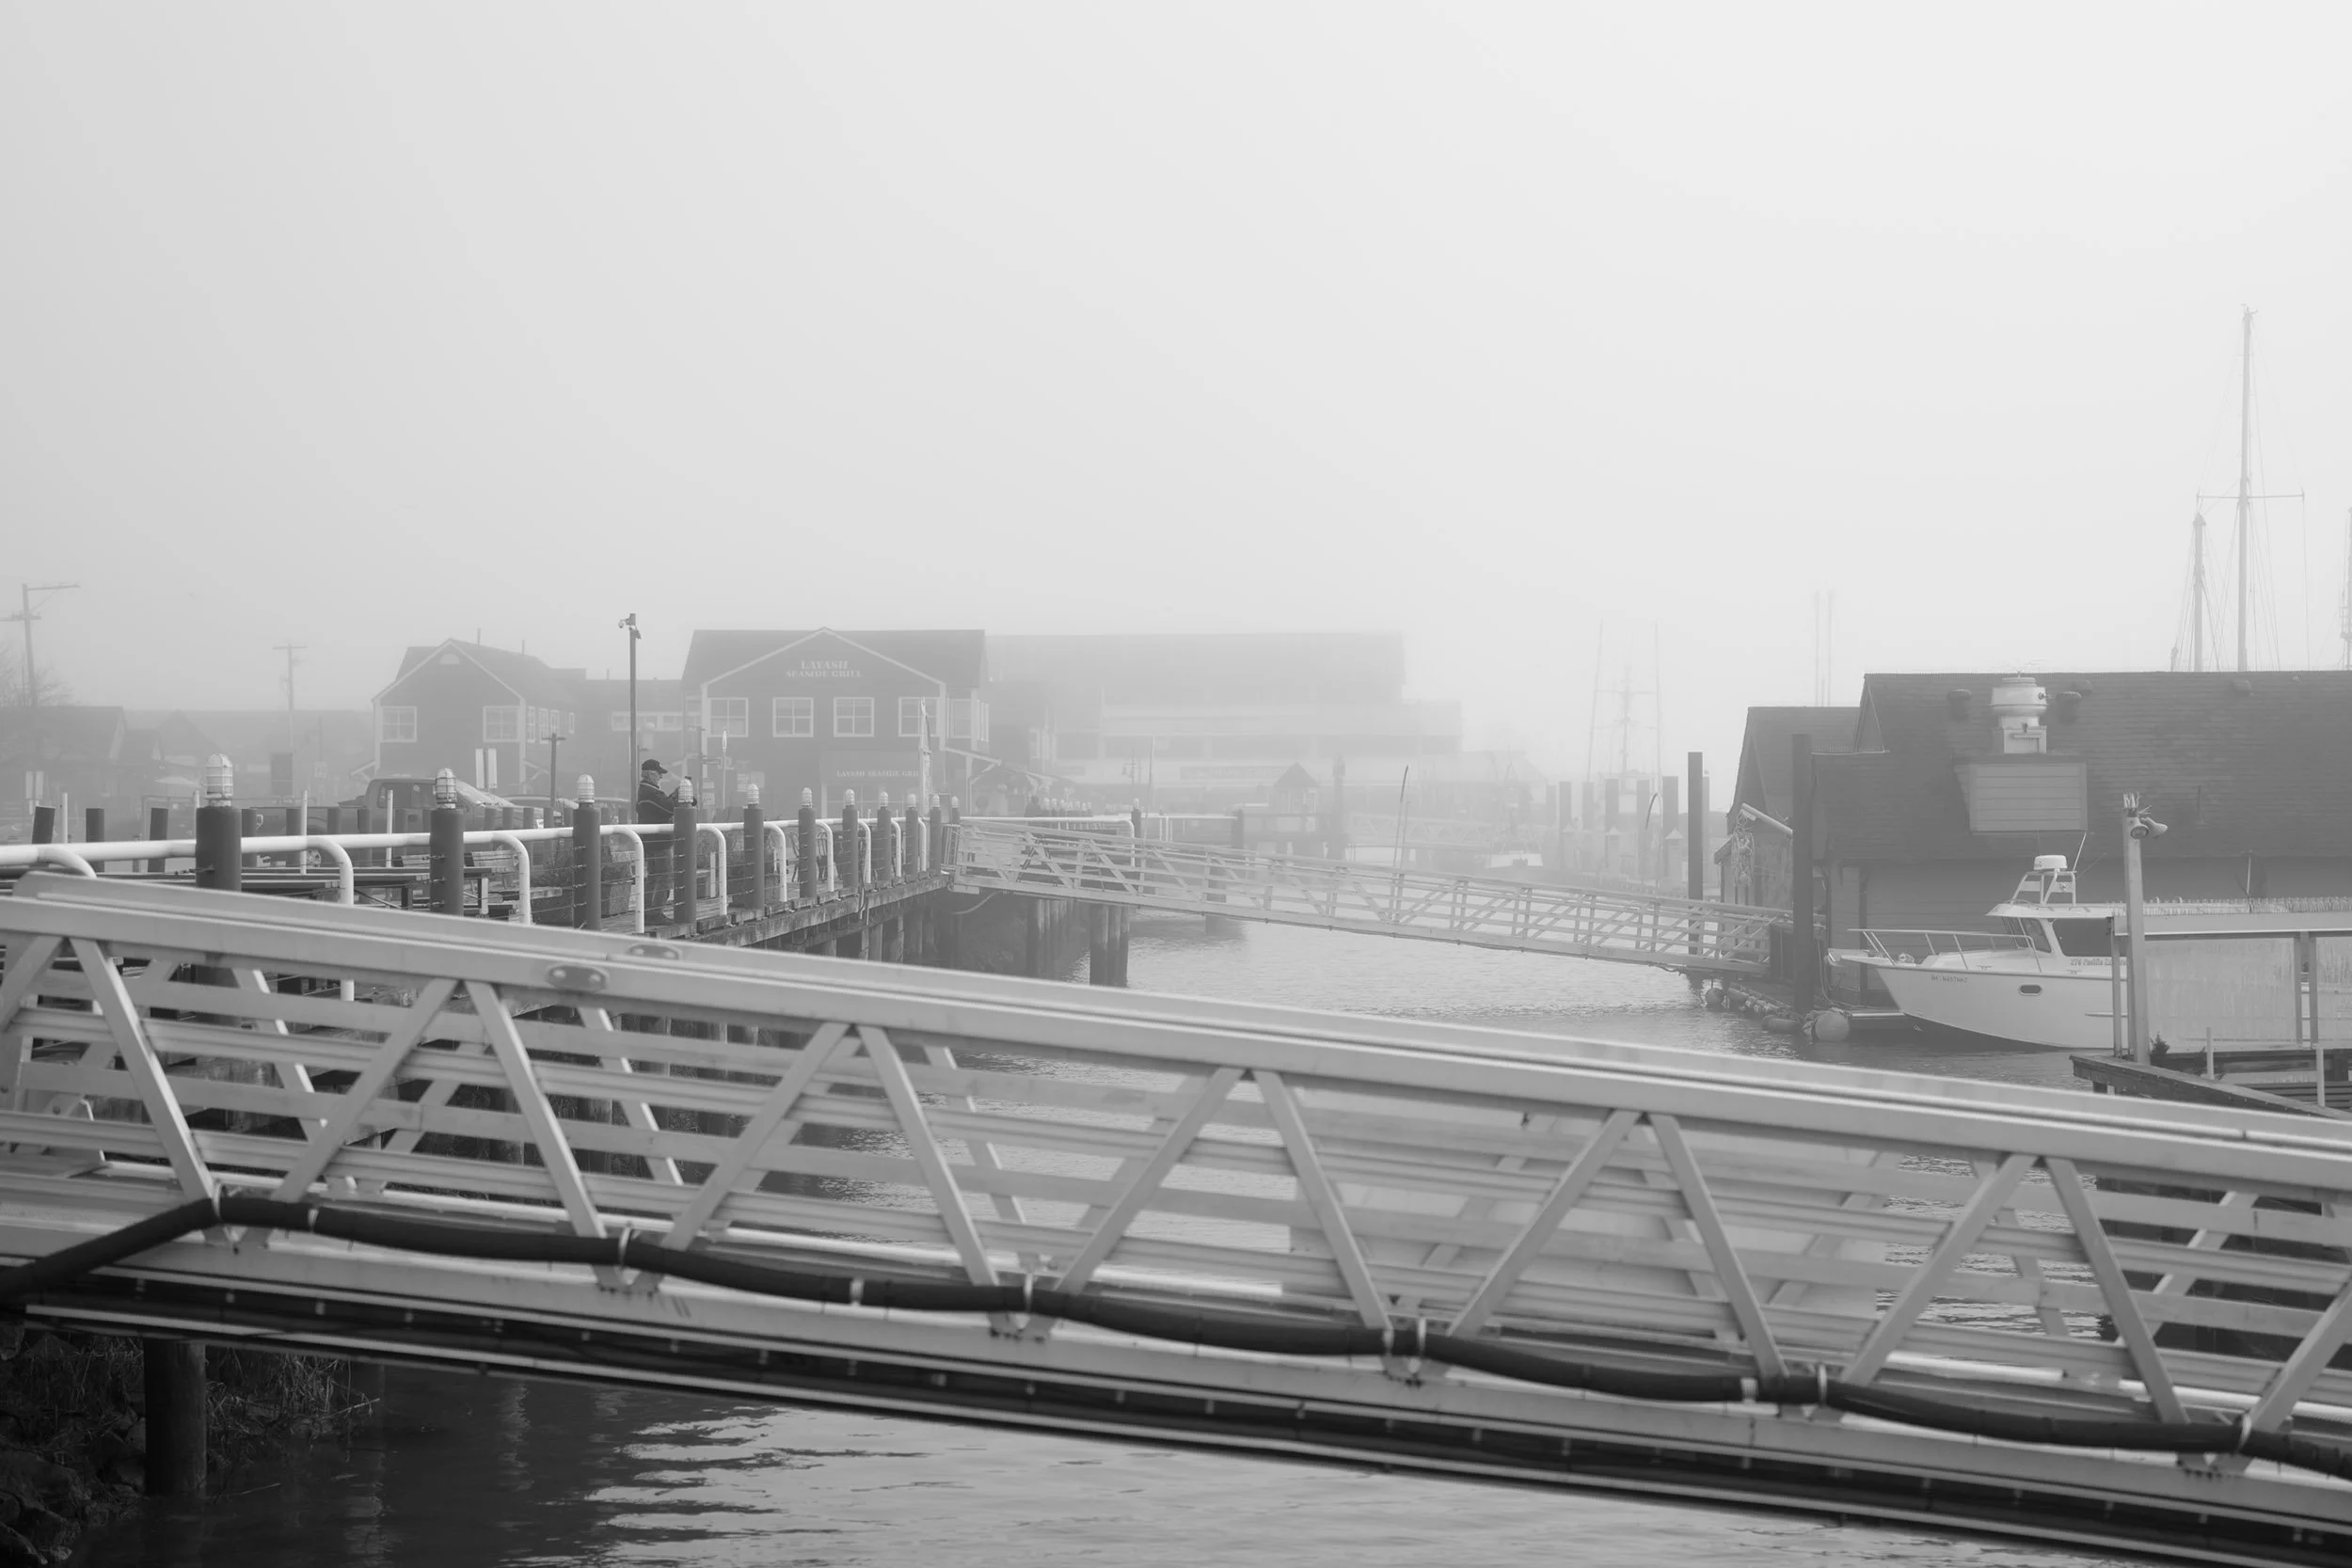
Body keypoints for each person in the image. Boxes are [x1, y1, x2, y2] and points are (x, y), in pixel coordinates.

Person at [635, 759, 675, 824]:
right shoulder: (650, 793)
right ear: (651, 774)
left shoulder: (646, 790)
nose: (661, 777)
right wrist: (679, 794)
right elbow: (670, 807)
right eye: (659, 773)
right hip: (654, 833)